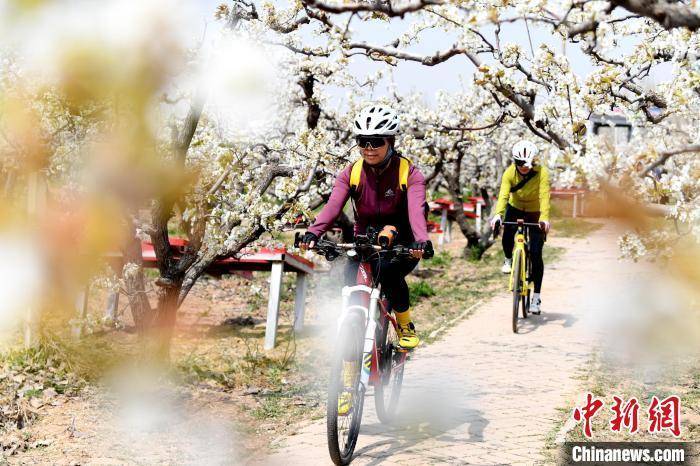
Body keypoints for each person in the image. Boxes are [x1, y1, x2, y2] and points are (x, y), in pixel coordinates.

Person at [300, 104, 433, 350]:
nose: (368, 149)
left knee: (389, 274)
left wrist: (421, 241)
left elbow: (417, 211)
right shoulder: (351, 173)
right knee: (350, 281)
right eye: (363, 141)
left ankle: (404, 325)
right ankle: (352, 337)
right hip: (365, 239)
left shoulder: (410, 174)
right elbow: (332, 207)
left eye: (376, 141)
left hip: (404, 241)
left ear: (390, 141)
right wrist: (313, 232)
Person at [489, 140, 551, 314]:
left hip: (535, 211)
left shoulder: (542, 173)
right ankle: (508, 259)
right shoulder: (509, 173)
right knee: (507, 234)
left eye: (527, 164)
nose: (524, 167)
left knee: (536, 252)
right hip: (514, 207)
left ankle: (536, 298)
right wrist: (498, 215)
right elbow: (503, 195)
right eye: (520, 163)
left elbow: (545, 196)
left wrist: (545, 218)